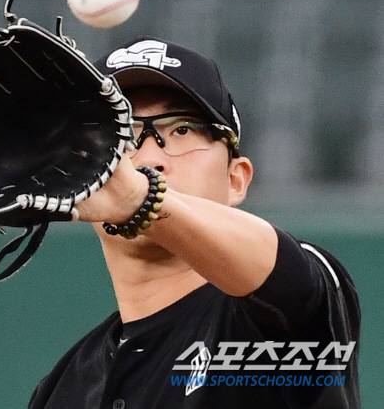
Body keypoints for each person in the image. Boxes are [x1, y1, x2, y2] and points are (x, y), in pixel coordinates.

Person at [27, 36, 361, 409]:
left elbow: (287, 278)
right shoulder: (61, 390)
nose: (149, 158)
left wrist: (143, 199)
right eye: (123, 134)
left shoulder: (277, 321)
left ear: (236, 180)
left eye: (182, 129)